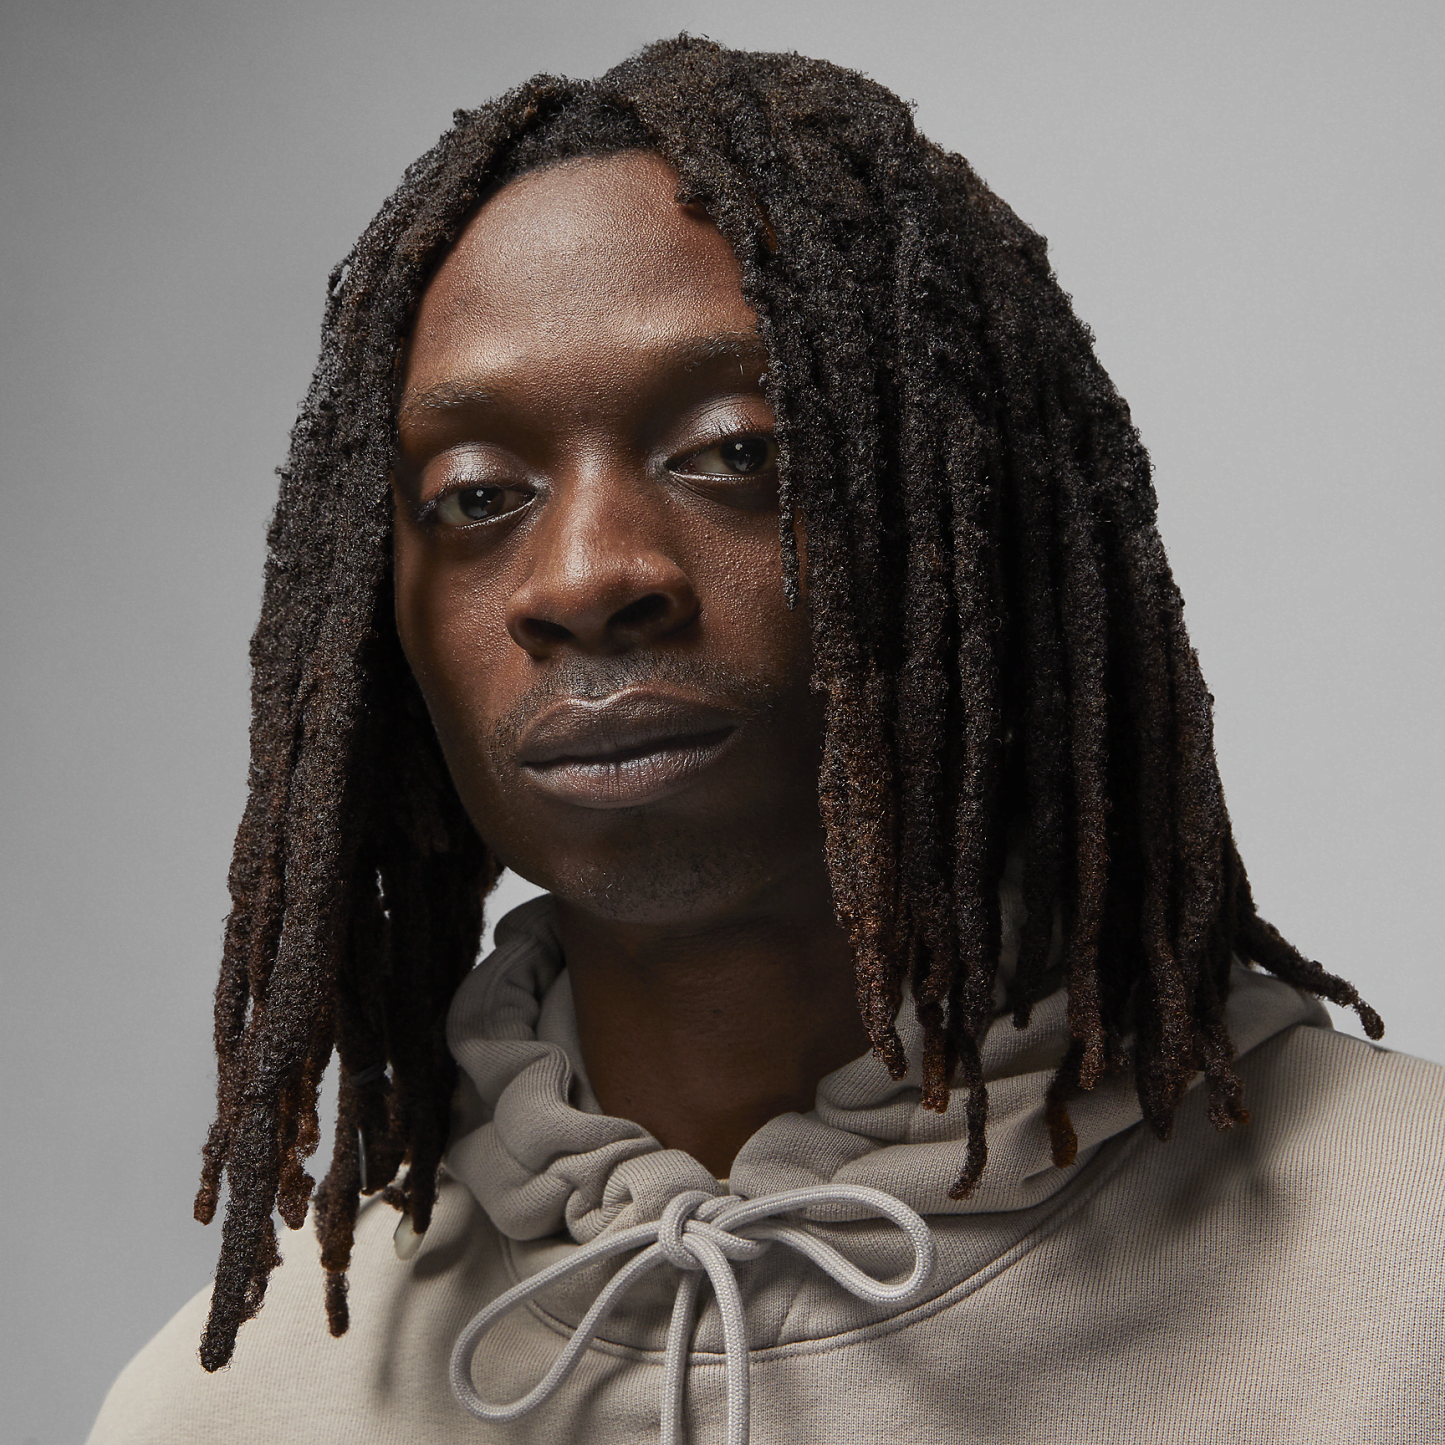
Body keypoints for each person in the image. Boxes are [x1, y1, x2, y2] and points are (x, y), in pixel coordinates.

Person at [88, 36, 1443, 1445]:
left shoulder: (1415, 1274)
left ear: (979, 522)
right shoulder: (226, 1415)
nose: (583, 578)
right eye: (478, 494)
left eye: (737, 451)